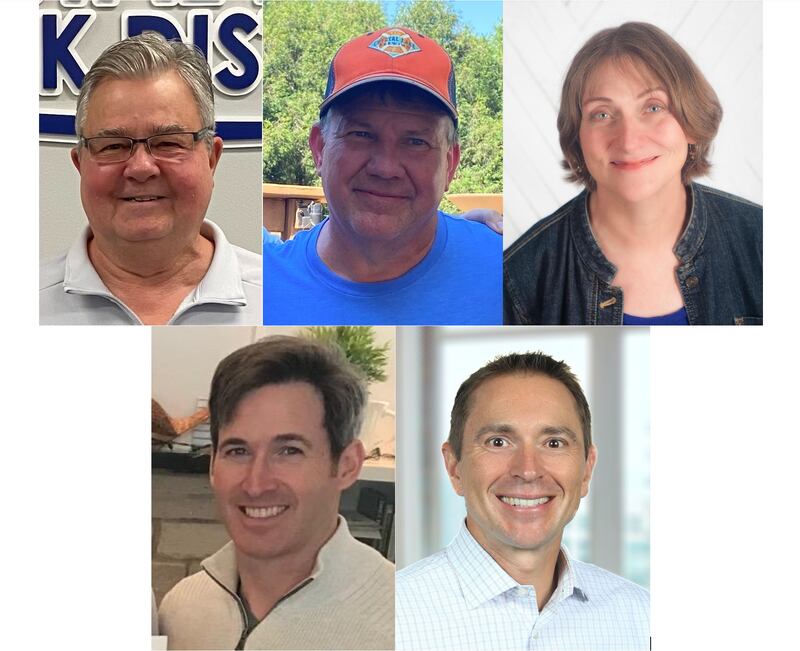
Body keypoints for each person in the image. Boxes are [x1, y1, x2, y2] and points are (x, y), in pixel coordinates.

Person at [504, 22, 762, 325]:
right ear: (578, 137)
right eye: (602, 114)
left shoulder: (764, 240)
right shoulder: (518, 279)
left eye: (653, 107)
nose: (629, 140)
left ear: (691, 122)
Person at [396, 352, 649, 650]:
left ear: (586, 470)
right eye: (498, 442)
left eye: (554, 443)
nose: (528, 470)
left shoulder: (642, 616)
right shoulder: (395, 617)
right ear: (454, 467)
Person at [158, 336, 394, 650]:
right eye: (238, 450)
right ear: (213, 464)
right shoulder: (181, 609)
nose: (256, 484)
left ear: (347, 465)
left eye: (289, 451)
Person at [263, 27, 502, 325]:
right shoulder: (262, 281)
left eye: (416, 142)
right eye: (361, 134)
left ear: (450, 164)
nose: (386, 168)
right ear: (320, 148)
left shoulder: (511, 269)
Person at [39, 32, 261, 325]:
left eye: (168, 143)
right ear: (80, 164)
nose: (141, 167)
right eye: (113, 146)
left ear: (211, 159)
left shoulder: (278, 297)